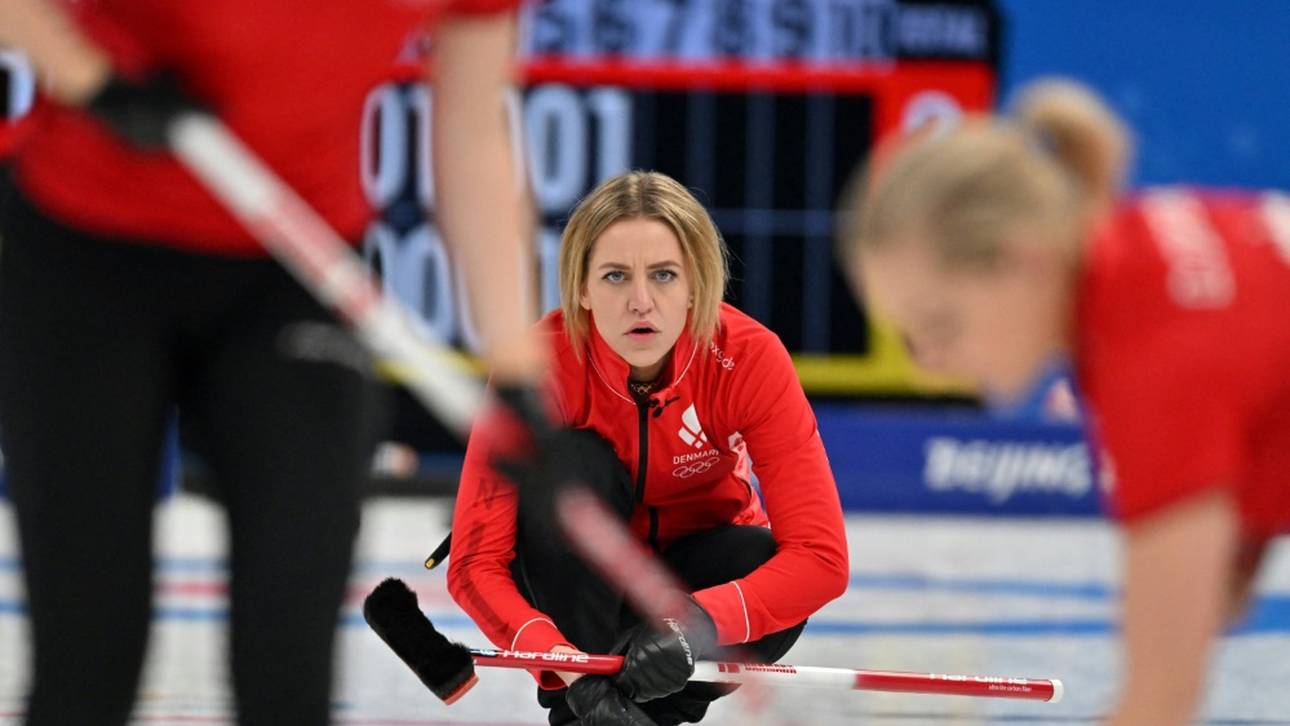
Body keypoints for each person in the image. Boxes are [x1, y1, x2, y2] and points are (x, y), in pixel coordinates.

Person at [0, 1, 543, 724]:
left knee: (288, 656)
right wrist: (89, 77)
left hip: (298, 267)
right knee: (88, 662)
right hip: (89, 249)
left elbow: (474, 131)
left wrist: (520, 376)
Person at [836, 79, 1290, 725]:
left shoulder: (1150, 362)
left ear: (1021, 262)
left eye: (937, 325)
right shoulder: (1149, 251)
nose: (927, 366)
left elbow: (1157, 709)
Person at [447, 170, 851, 726]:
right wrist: (561, 663)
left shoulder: (750, 358)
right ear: (582, 289)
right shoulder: (537, 363)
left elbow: (821, 560)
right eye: (615, 277)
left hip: (690, 594)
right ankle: (586, 709)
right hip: (575, 600)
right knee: (572, 464)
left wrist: (696, 624)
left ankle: (649, 713)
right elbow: (475, 563)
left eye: (664, 275)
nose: (642, 302)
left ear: (695, 284)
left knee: (761, 560)